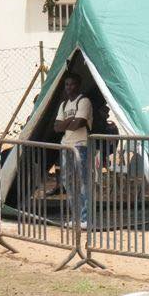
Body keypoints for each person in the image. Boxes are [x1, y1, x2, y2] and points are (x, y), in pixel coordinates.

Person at [54, 72, 94, 226]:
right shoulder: (64, 104)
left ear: (78, 85)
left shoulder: (84, 101)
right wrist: (71, 120)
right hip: (67, 145)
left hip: (80, 144)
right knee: (68, 182)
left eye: (72, 84)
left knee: (83, 181)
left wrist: (67, 122)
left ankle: (85, 218)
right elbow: (56, 127)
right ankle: (76, 217)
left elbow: (79, 123)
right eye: (67, 84)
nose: (69, 87)